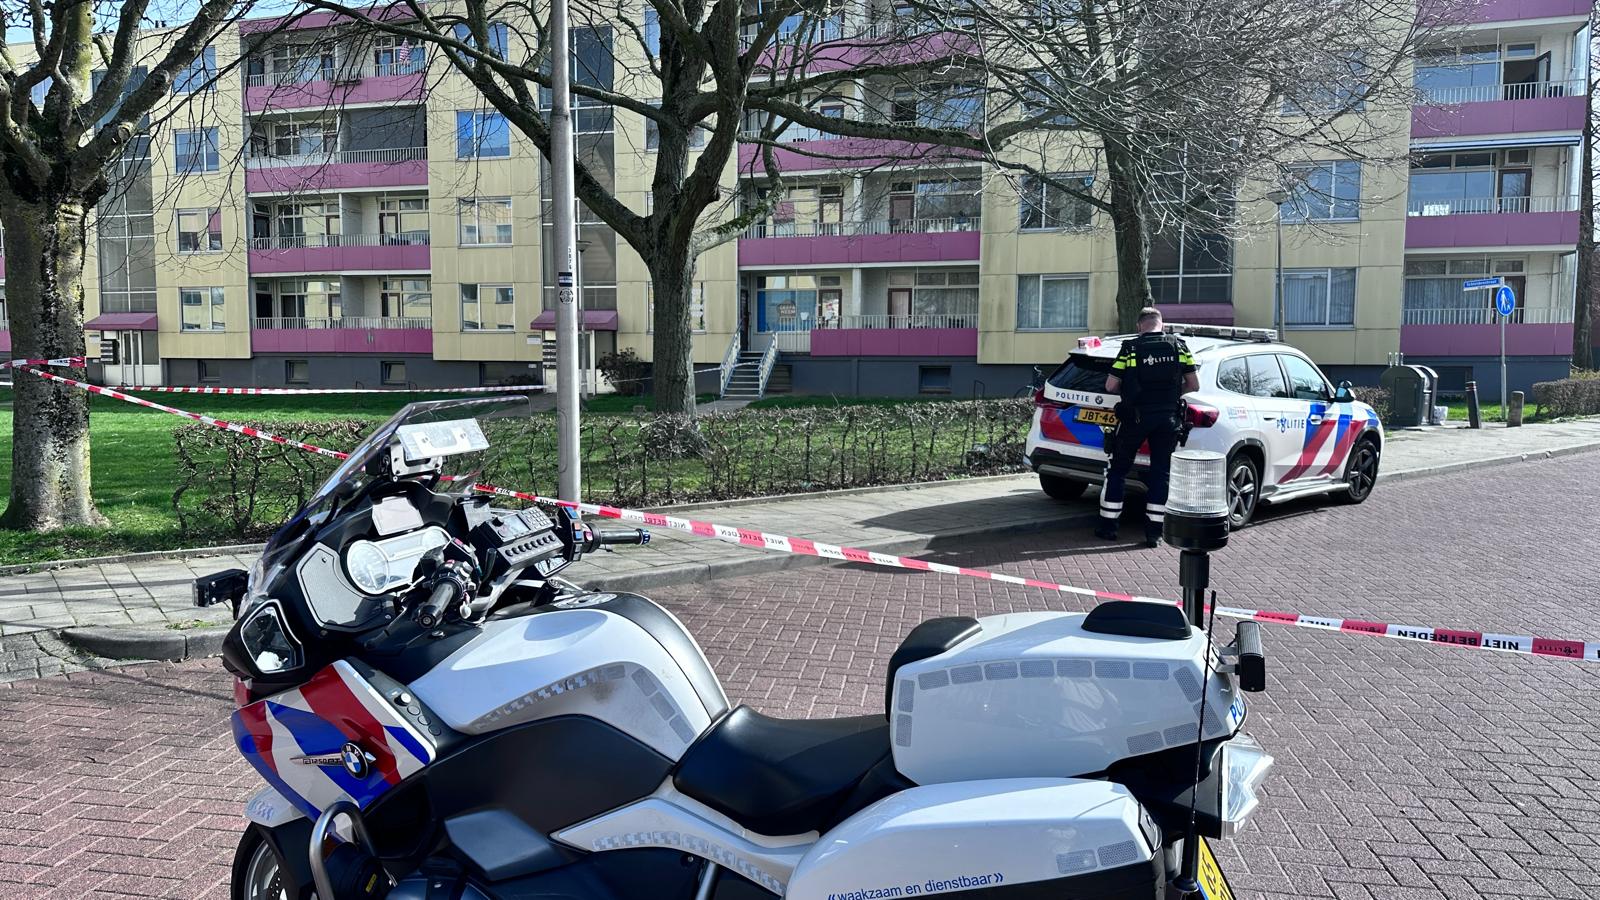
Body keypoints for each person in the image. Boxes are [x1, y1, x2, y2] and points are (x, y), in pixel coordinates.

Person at [1094, 308, 1199, 547]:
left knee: (1118, 470)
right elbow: (1194, 384)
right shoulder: (1179, 347)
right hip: (1167, 419)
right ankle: (1154, 534)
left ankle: (1108, 527)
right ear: (1162, 325)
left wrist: (1131, 393)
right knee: (1161, 473)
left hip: (1135, 418)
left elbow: (1111, 385)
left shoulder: (1130, 348)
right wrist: (1171, 395)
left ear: (1139, 326)